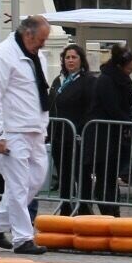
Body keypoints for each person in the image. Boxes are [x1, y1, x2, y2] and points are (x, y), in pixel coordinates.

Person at [0, 16, 54, 255]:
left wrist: (43, 127)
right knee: (19, 185)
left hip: (34, 129)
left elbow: (39, 92)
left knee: (35, 181)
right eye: (41, 39)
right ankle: (23, 238)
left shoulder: (37, 56)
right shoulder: (2, 55)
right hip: (12, 132)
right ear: (28, 35)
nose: (43, 44)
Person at [83, 44, 132, 217]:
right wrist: (128, 121)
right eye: (129, 67)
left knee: (111, 176)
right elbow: (112, 107)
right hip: (101, 136)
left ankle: (114, 212)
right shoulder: (106, 80)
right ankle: (108, 212)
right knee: (103, 176)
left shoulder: (122, 81)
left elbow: (126, 103)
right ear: (121, 66)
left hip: (114, 135)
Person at [48, 44, 98, 216]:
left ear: (81, 60)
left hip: (77, 135)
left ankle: (84, 208)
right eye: (67, 57)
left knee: (81, 174)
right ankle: (66, 207)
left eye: (74, 57)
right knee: (64, 173)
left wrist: (83, 130)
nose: (70, 60)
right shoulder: (58, 80)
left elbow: (91, 108)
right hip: (59, 135)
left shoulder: (88, 81)